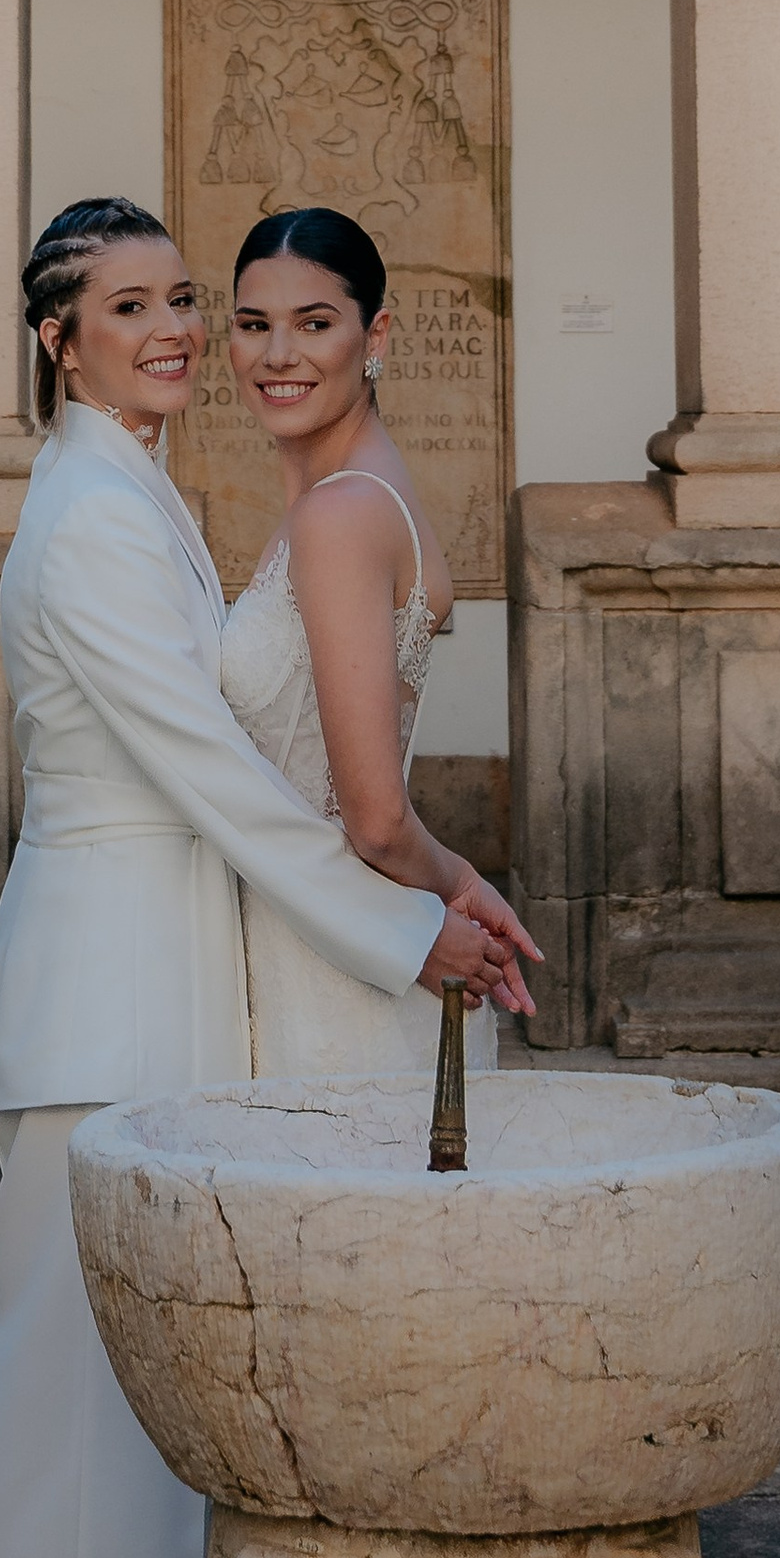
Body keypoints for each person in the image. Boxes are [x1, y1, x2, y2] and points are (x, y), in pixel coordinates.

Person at [0, 195, 518, 1558]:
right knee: (75, 1487)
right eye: (135, 305)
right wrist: (398, 918)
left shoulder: (148, 500)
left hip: (169, 1010)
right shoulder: (95, 520)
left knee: (144, 1479)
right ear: (59, 339)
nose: (181, 329)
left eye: (185, 297)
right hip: (107, 1013)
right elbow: (207, 773)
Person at [221, 205, 543, 1077]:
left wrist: (460, 885)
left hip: (331, 972)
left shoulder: (342, 515)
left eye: (314, 323)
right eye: (253, 326)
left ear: (377, 335)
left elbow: (374, 821)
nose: (277, 354)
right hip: (333, 942)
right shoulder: (360, 495)